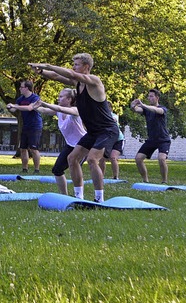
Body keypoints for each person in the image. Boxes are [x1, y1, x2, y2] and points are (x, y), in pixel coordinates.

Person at [29, 53, 119, 202]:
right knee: (72, 158)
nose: (73, 67)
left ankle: (99, 198)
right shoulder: (78, 84)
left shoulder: (94, 81)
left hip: (107, 130)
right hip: (93, 132)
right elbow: (57, 77)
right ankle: (79, 197)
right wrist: (41, 72)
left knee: (91, 159)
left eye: (77, 64)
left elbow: (69, 73)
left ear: (86, 67)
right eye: (74, 64)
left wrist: (46, 65)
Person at [32, 89, 86, 195]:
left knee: (74, 169)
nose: (58, 98)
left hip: (83, 144)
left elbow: (60, 108)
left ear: (69, 99)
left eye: (61, 97)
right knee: (57, 170)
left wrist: (44, 103)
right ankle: (64, 195)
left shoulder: (75, 111)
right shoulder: (59, 111)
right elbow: (44, 110)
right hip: (70, 145)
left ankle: (79, 195)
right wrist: (35, 107)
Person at [131, 89, 171, 183]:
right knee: (138, 159)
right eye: (148, 96)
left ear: (157, 97)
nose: (149, 98)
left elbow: (157, 110)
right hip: (151, 140)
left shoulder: (163, 109)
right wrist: (133, 106)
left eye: (151, 96)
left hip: (163, 140)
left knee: (161, 159)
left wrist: (143, 105)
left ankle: (164, 181)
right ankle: (145, 180)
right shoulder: (146, 110)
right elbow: (137, 110)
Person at [6, 80, 42, 174]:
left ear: (26, 88)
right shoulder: (20, 99)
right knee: (23, 148)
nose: (20, 89)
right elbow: (14, 109)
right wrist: (10, 106)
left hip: (35, 126)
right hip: (25, 126)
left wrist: (14, 106)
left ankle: (36, 170)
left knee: (33, 149)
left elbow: (29, 108)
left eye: (21, 87)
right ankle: (24, 169)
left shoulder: (35, 98)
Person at [99, 101, 124, 180]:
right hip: (107, 140)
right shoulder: (100, 116)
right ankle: (101, 176)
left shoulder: (114, 116)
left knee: (113, 158)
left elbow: (114, 120)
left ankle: (115, 177)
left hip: (118, 140)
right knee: (102, 158)